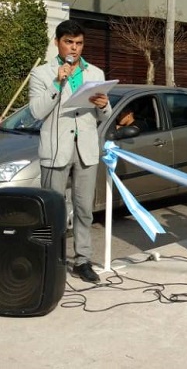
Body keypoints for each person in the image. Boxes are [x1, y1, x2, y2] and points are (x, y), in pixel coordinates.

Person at [29, 20, 111, 284]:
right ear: (57, 43)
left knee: (84, 209)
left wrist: (104, 105)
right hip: (56, 149)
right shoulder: (42, 74)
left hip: (85, 148)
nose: (74, 48)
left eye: (78, 43)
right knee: (53, 209)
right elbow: (36, 113)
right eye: (69, 42)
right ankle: (51, 260)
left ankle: (83, 261)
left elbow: (102, 115)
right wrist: (57, 83)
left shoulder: (95, 73)